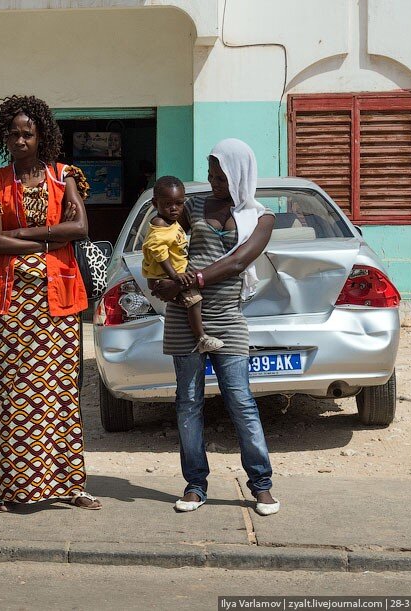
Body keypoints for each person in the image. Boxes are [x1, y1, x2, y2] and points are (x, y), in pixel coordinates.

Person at [0, 95, 102, 513]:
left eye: (28, 133)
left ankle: (69, 486)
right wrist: (48, 235)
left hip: (58, 302)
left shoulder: (66, 177)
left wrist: (23, 234)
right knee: (14, 395)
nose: (21, 140)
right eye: (14, 134)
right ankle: (13, 491)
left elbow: (79, 227)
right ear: (4, 137)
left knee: (61, 393)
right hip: (11, 305)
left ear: (42, 135)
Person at [151, 138, 280, 516]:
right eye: (210, 174)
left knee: (240, 402)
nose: (213, 182)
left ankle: (262, 485)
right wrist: (164, 278)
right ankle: (195, 485)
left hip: (226, 315)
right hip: (183, 315)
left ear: (239, 173)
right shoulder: (192, 206)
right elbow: (164, 239)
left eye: (220, 175)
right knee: (188, 403)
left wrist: (194, 281)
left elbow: (240, 260)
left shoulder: (261, 217)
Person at [142, 175, 224, 354]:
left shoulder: (172, 222)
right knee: (194, 300)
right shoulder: (159, 224)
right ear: (155, 204)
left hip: (169, 275)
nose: (174, 209)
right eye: (167, 204)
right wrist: (175, 277)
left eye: (179, 203)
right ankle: (201, 338)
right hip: (162, 277)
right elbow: (158, 251)